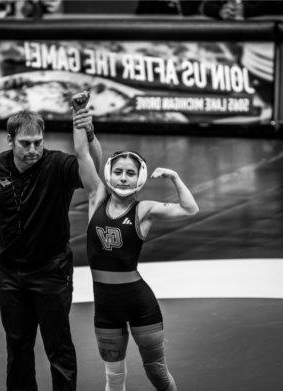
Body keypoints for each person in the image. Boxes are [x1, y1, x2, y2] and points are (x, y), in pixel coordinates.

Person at [0, 110, 102, 391]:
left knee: (58, 347)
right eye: (25, 143)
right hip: (11, 274)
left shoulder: (59, 165)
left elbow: (93, 170)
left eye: (38, 142)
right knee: (17, 346)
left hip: (51, 271)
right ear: (10, 140)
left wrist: (90, 135)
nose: (33, 149)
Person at [72, 108, 199, 391]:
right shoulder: (96, 199)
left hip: (140, 304)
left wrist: (175, 178)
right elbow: (84, 155)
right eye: (118, 172)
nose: (123, 178)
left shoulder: (144, 210)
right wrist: (80, 121)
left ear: (139, 178)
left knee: (156, 370)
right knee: (113, 377)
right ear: (109, 175)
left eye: (130, 173)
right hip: (105, 308)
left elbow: (191, 209)